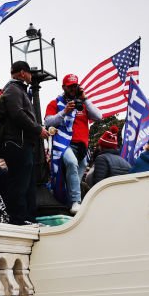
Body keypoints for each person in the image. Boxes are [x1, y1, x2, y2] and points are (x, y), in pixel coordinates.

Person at [0, 61, 49, 225]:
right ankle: (18, 219)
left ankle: (27, 218)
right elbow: (17, 114)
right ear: (22, 73)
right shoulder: (13, 89)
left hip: (21, 143)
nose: (31, 77)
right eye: (29, 73)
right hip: (17, 143)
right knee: (20, 183)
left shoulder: (17, 89)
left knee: (26, 183)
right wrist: (37, 129)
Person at [44, 74, 102, 213]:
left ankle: (69, 206)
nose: (73, 89)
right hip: (64, 144)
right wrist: (64, 111)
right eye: (70, 86)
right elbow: (47, 122)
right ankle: (76, 202)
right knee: (71, 163)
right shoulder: (55, 103)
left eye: (75, 86)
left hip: (83, 147)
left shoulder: (82, 104)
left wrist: (85, 99)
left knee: (74, 178)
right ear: (63, 87)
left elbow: (99, 116)